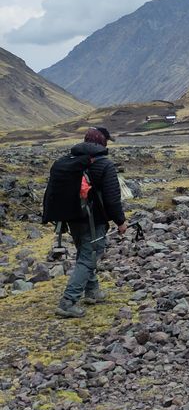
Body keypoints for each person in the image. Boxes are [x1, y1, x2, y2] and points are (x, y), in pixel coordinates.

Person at [56, 127, 126, 318]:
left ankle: (92, 291)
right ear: (101, 142)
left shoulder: (71, 161)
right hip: (94, 220)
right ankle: (68, 301)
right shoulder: (104, 164)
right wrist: (121, 222)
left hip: (72, 218)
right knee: (90, 256)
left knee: (85, 253)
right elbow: (112, 199)